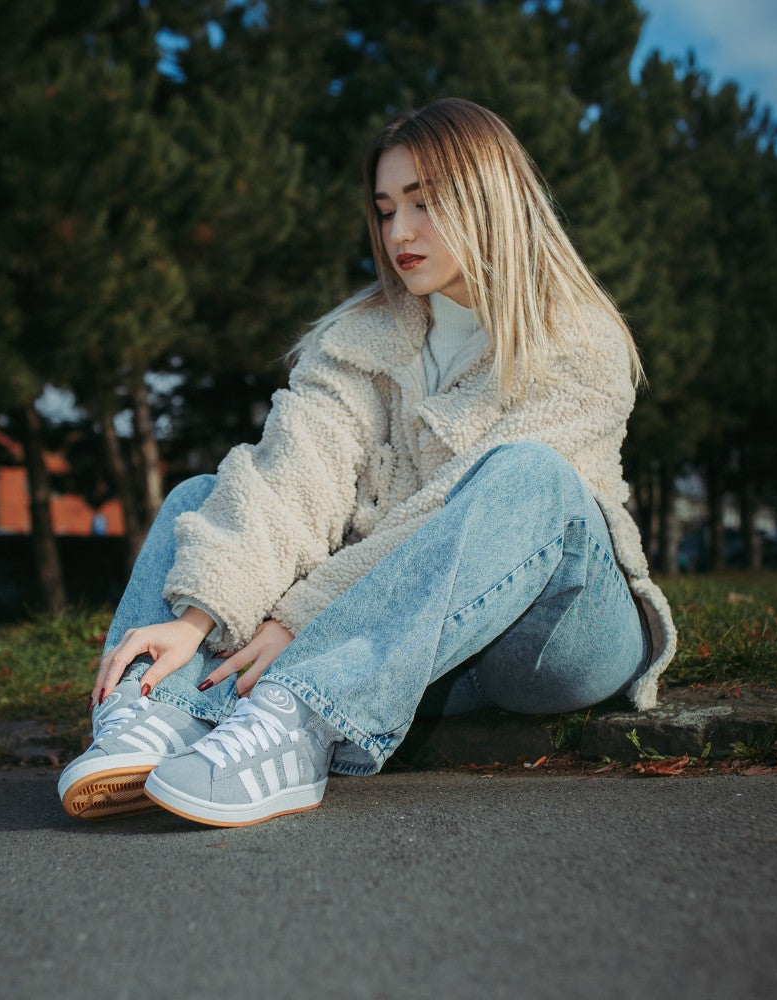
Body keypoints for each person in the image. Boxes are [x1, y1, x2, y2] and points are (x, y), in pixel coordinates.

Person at [57, 97, 676, 827]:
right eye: (385, 209)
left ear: (488, 199)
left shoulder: (577, 335)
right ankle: (162, 711)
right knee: (203, 493)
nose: (398, 233)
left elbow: (447, 509)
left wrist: (301, 619)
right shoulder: (362, 338)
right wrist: (196, 617)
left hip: (557, 632)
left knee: (526, 472)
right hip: (418, 644)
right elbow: (294, 473)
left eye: (423, 203)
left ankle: (297, 731)